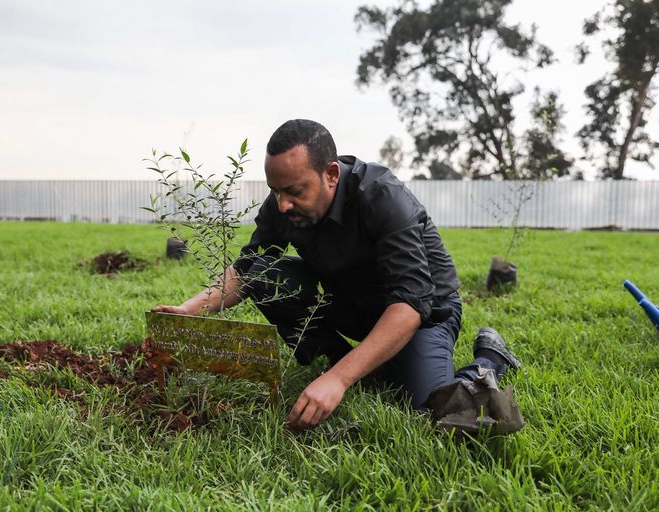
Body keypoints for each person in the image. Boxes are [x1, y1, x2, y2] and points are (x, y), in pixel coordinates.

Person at [153, 119, 520, 430]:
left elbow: (410, 303)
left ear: (330, 175)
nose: (283, 205)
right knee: (267, 275)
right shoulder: (285, 202)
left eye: (294, 191)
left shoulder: (382, 197)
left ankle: (490, 358)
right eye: (275, 192)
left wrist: (340, 380)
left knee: (435, 410)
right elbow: (249, 268)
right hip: (350, 301)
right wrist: (190, 310)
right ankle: (343, 360)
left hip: (424, 314)